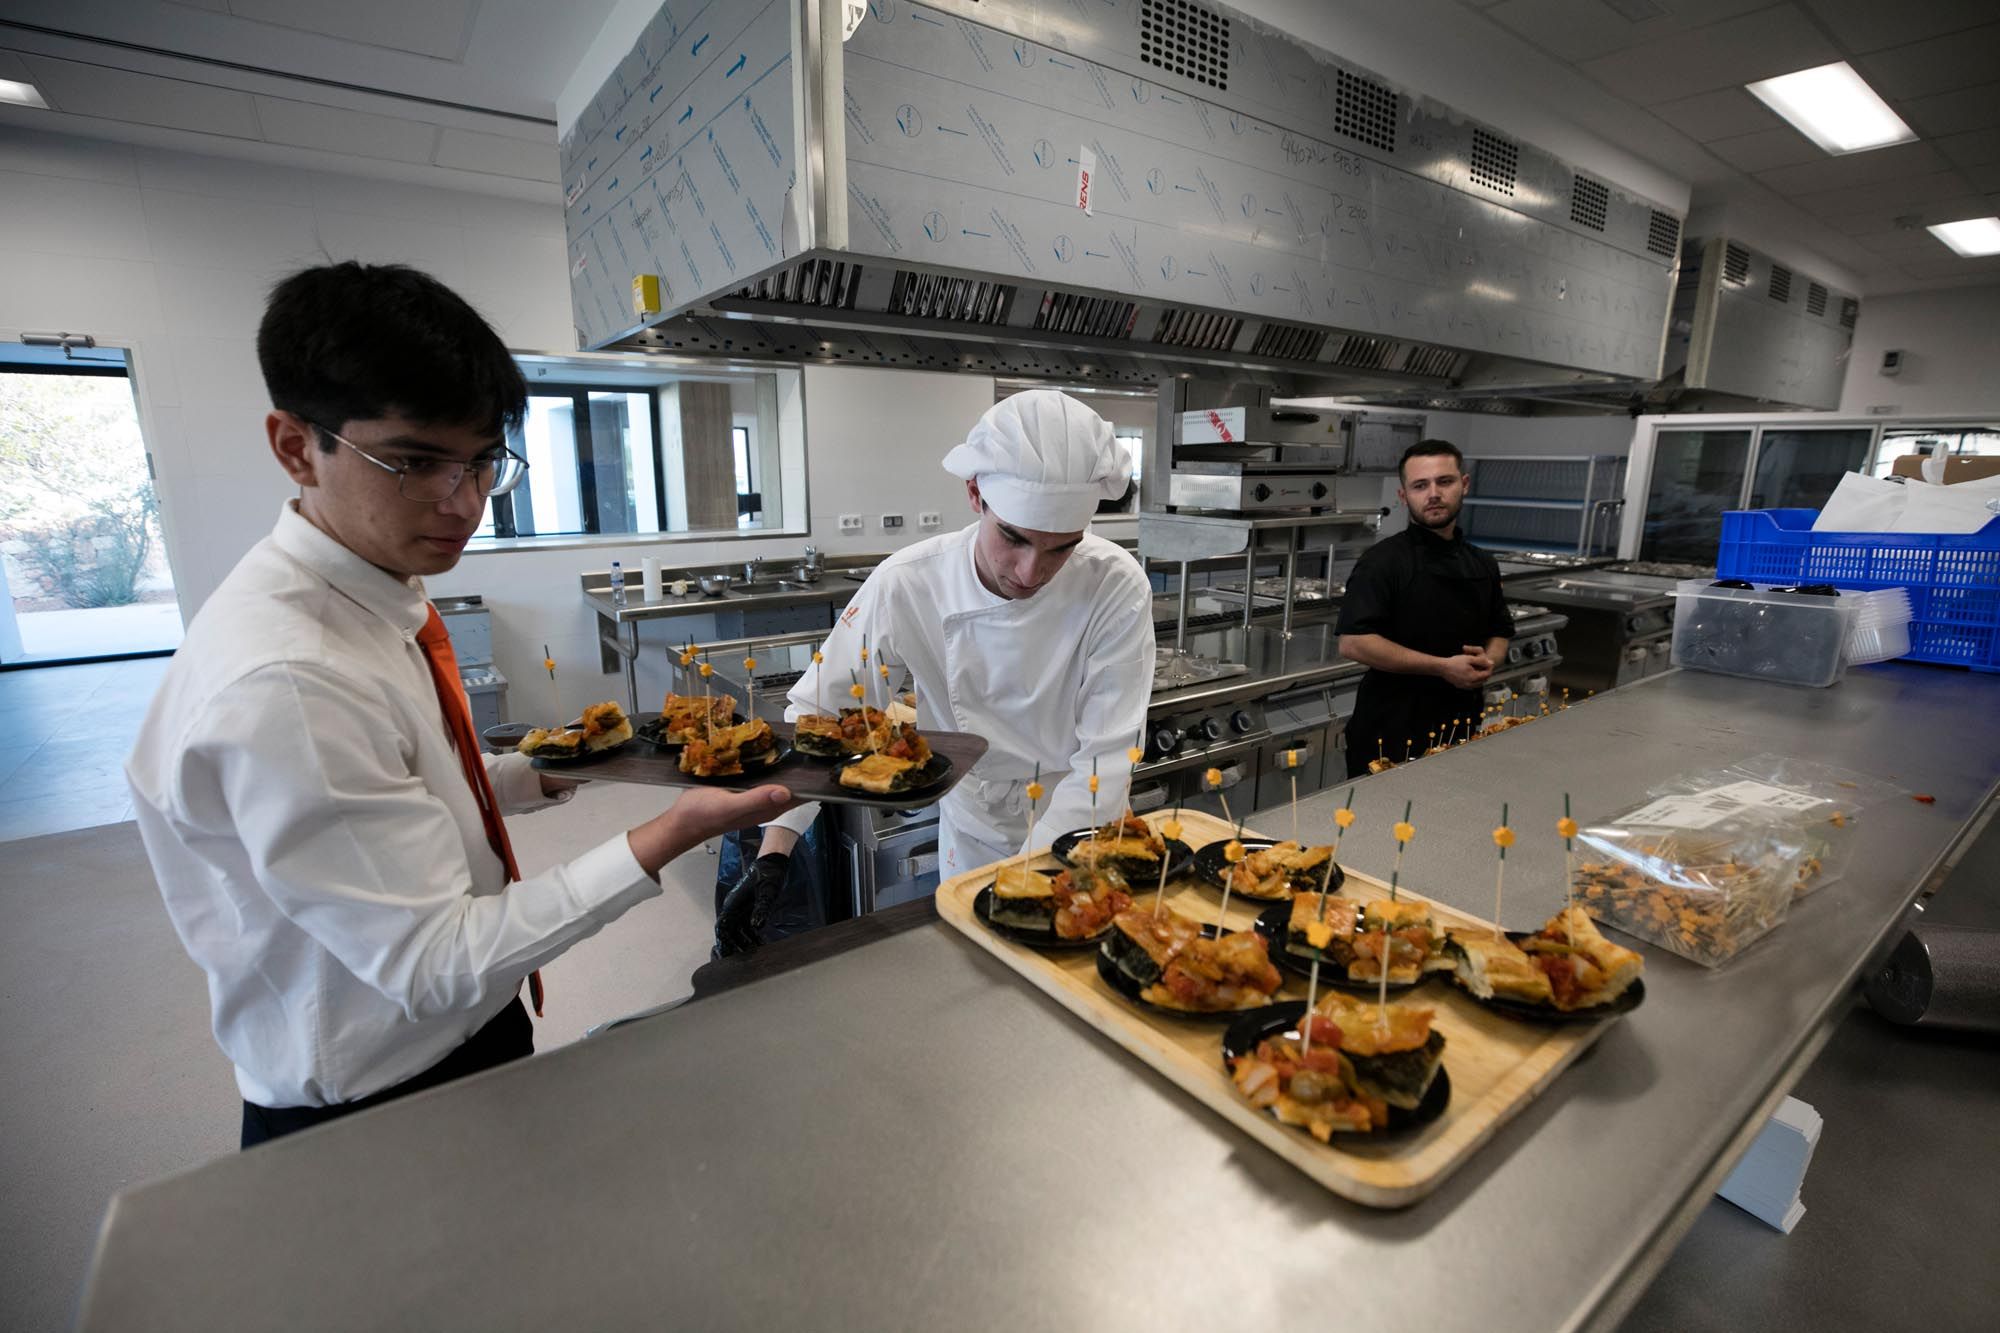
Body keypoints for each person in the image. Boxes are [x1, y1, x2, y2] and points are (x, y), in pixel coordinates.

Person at [125, 262, 791, 1147]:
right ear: (295, 445)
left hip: (458, 1034)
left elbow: (404, 785)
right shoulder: (290, 677)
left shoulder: (366, 600)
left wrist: (540, 771)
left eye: (482, 461)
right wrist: (670, 832)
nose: (465, 501)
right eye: (413, 461)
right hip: (376, 1103)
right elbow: (435, 962)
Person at [714, 390, 1153, 953]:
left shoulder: (1114, 584)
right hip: (974, 822)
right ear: (975, 494)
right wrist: (774, 854)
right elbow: (821, 721)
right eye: (1014, 538)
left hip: (1079, 826)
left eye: (1060, 549)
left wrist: (1035, 878)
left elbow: (1108, 758)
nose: (1030, 571)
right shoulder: (910, 583)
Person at [1336, 438, 1513, 778]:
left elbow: (1500, 631)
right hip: (1390, 731)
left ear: (1463, 485)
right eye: (1420, 485)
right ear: (1404, 497)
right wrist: (1443, 667)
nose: (1433, 493)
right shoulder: (1383, 562)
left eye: (1444, 482)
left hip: (1462, 722)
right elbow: (1354, 641)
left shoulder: (1483, 562)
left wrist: (1487, 662)